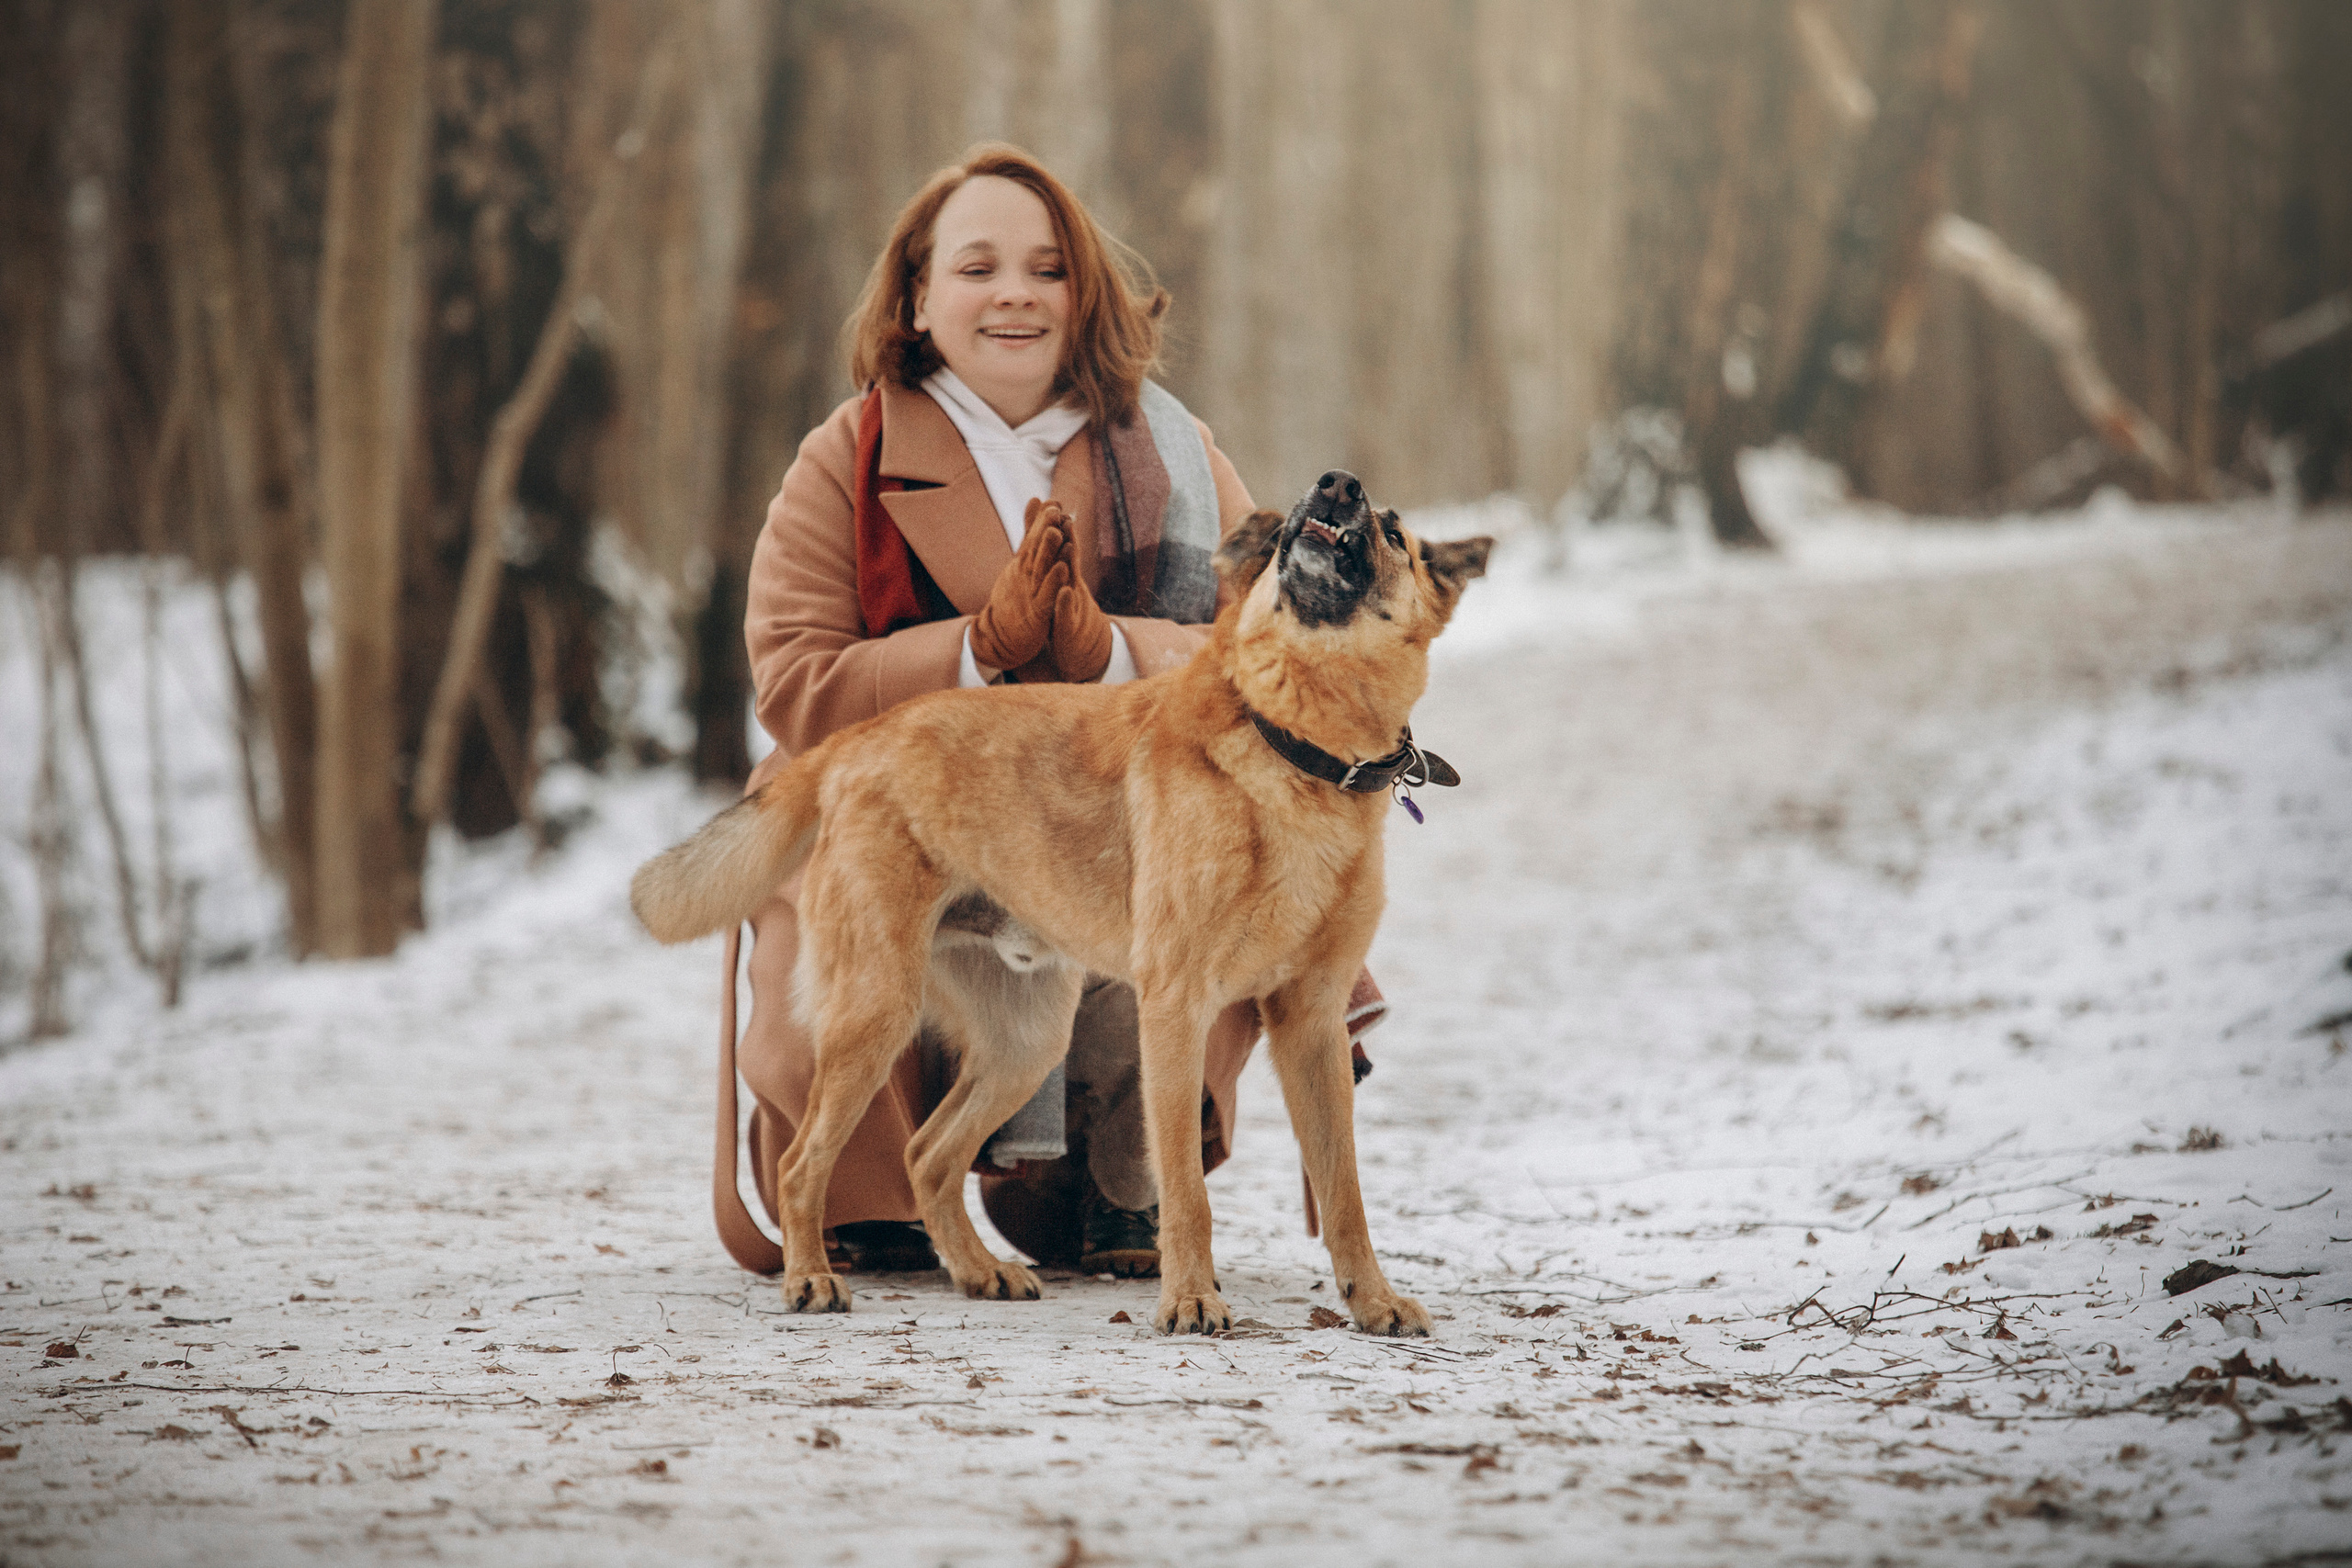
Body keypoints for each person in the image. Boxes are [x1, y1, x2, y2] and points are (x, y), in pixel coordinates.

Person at [714, 143, 1383, 1283]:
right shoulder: (847, 452)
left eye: (1045, 269)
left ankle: (1110, 1188)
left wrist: (1108, 649)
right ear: (919, 299)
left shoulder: (1173, 447)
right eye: (977, 268)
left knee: (1189, 878)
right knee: (841, 999)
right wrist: (975, 652)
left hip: (1111, 804)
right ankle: (869, 1190)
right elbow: (792, 676)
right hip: (888, 793)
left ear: (1084, 296)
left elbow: (1264, 642)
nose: (1015, 292)